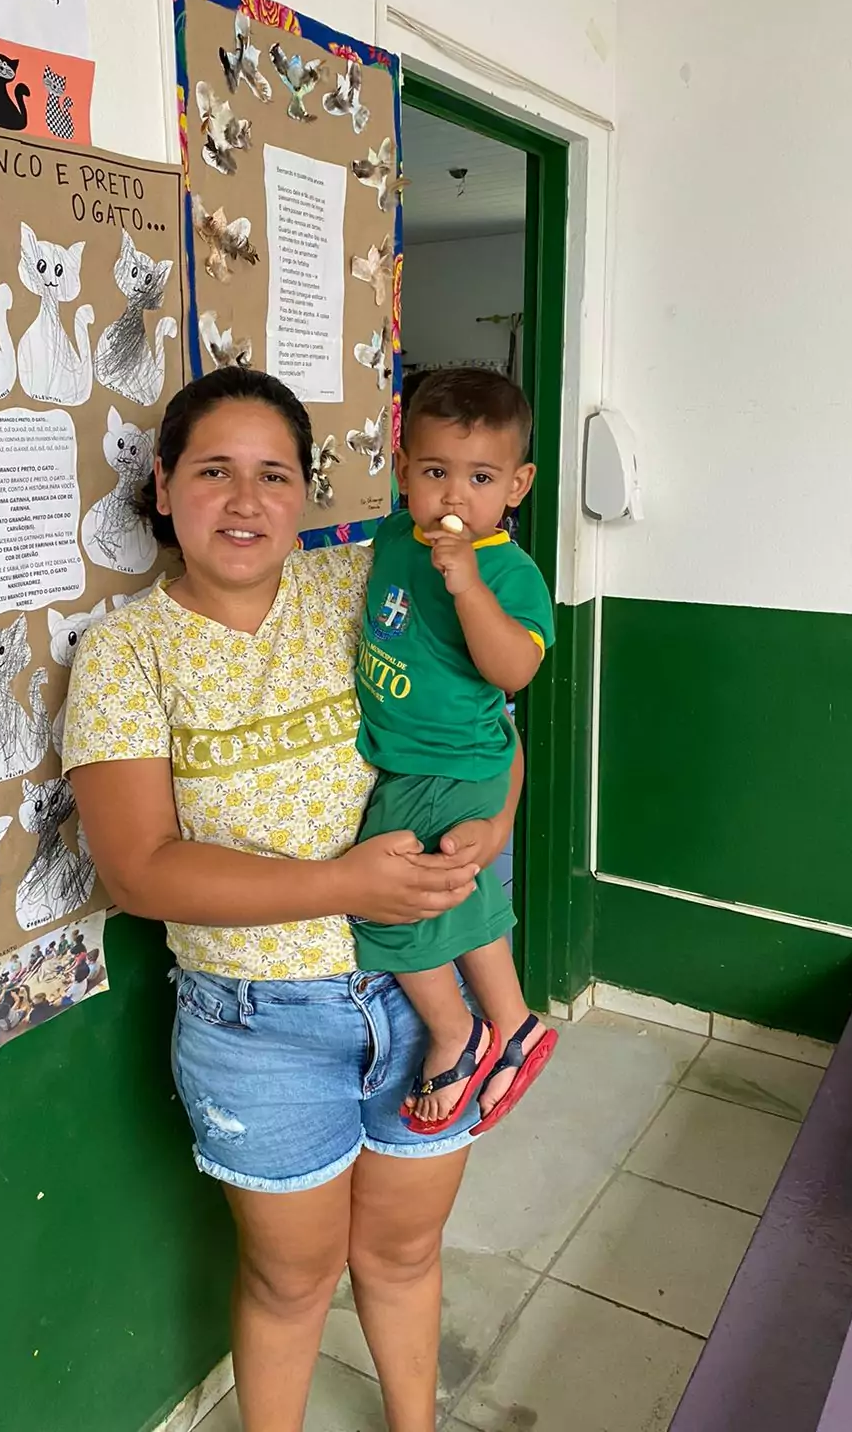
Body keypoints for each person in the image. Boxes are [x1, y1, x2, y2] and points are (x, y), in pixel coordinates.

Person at [64, 367, 522, 1432]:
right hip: (258, 1025)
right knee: (291, 1281)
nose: (245, 498)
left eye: (274, 473)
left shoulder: (372, 585)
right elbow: (138, 869)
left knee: (405, 1252)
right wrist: (341, 883)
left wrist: (495, 825)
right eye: (215, 470)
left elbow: (487, 722)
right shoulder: (125, 656)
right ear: (165, 485)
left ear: (305, 494)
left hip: (426, 999)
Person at [352, 369, 557, 1133]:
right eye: (435, 472)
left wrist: (470, 587)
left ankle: (457, 1032)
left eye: (480, 478)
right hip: (419, 760)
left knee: (389, 909)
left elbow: (516, 671)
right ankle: (517, 1026)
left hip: (448, 764)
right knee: (454, 892)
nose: (452, 497)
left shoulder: (508, 571)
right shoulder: (395, 536)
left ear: (517, 484)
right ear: (403, 471)